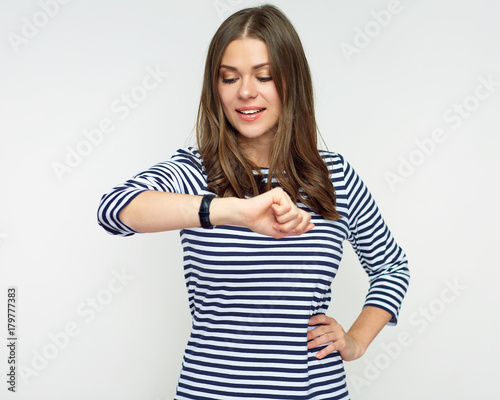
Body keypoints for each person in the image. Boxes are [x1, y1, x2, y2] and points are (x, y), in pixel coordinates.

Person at [97, 4, 410, 399]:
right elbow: (114, 209)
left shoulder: (332, 177)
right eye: (229, 78)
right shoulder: (195, 171)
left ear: (291, 82)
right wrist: (235, 211)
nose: (245, 91)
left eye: (264, 76)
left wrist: (356, 341)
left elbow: (391, 266)